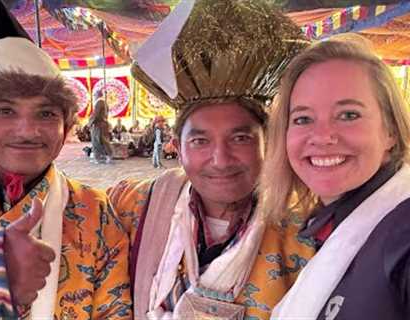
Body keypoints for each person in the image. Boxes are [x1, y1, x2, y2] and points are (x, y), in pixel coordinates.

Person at [108, 1, 315, 319]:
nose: (220, 159)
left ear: (268, 141)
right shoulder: (130, 206)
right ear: (177, 147)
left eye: (240, 138)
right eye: (200, 141)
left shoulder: (305, 232)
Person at [0, 2, 131, 319]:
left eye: (46, 113)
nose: (28, 131)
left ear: (65, 129)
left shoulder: (98, 213)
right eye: (5, 111)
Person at [260, 34, 410, 320]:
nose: (322, 136)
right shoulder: (329, 223)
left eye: (348, 115)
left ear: (390, 130)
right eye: (303, 119)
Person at [88, 99, 113, 164]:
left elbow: (94, 118)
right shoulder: (104, 106)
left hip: (98, 127)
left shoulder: (100, 105)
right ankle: (107, 156)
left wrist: (90, 124)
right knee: (104, 142)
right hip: (102, 126)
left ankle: (99, 157)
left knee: (97, 142)